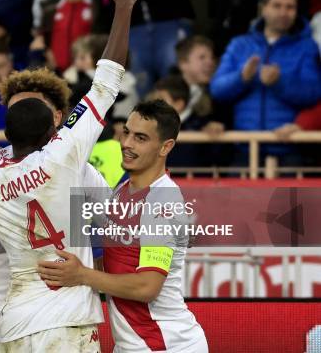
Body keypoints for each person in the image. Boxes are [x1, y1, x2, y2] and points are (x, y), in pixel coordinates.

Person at [0, 0, 148, 351]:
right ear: (54, 129)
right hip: (46, 313)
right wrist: (124, 7)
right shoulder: (65, 153)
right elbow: (104, 84)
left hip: (22, 311)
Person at [0, 65, 110, 353]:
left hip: (55, 313)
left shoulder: (79, 173)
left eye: (33, 107)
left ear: (56, 117)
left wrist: (88, 277)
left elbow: (103, 236)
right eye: (17, 110)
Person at [38, 99, 208, 353]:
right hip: (135, 345)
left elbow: (147, 286)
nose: (126, 144)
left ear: (165, 147)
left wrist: (82, 275)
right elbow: (119, 261)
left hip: (165, 345)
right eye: (126, 132)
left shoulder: (162, 201)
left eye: (140, 138)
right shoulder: (123, 190)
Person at [210, 0, 321, 164]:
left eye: (290, 7)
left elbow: (314, 93)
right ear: (263, 8)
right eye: (277, 6)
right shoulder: (240, 44)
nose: (284, 13)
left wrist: (280, 82)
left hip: (290, 149)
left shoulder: (307, 47)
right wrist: (242, 78)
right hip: (244, 149)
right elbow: (217, 90)